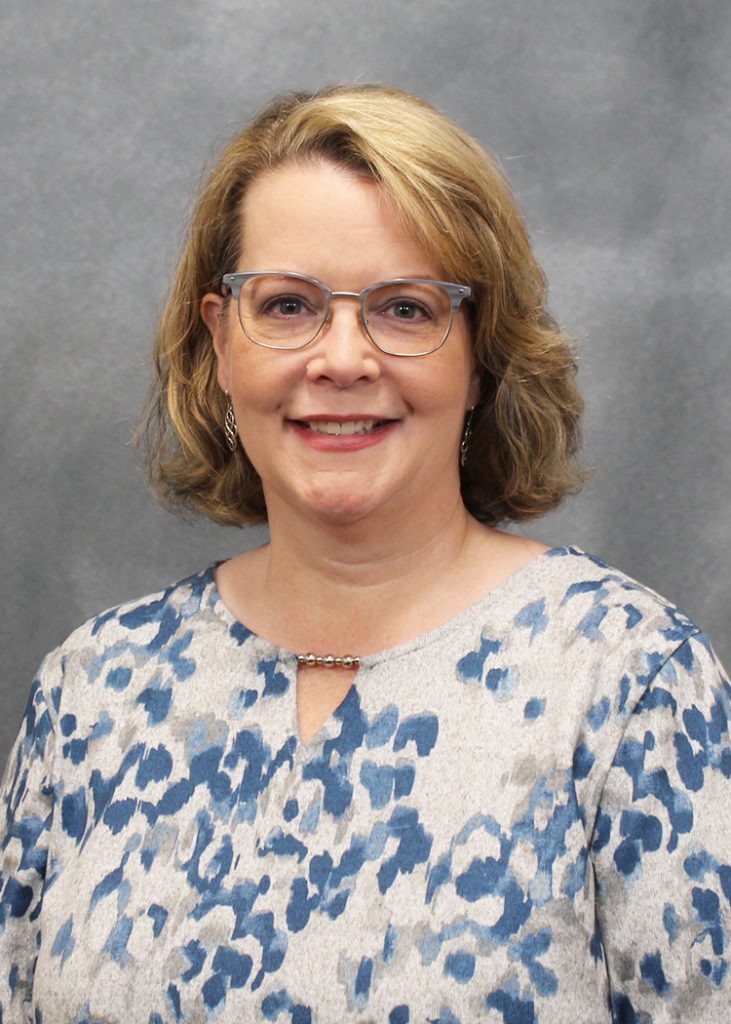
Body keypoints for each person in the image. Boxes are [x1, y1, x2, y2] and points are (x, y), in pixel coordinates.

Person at [0, 84, 728, 1023]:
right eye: (290, 305)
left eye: (405, 309)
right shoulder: (94, 689)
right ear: (222, 343)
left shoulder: (629, 681)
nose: (342, 359)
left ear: (479, 356)